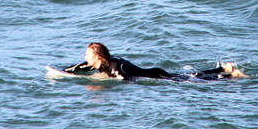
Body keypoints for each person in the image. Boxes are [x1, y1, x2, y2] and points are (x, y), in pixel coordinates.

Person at [62, 42, 247, 81]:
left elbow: (125, 78)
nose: (85, 58)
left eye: (88, 55)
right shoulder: (95, 64)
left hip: (157, 74)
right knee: (188, 76)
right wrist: (63, 72)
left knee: (188, 78)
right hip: (152, 74)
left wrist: (117, 81)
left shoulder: (117, 65)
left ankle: (228, 75)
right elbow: (78, 68)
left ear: (98, 56)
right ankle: (223, 69)